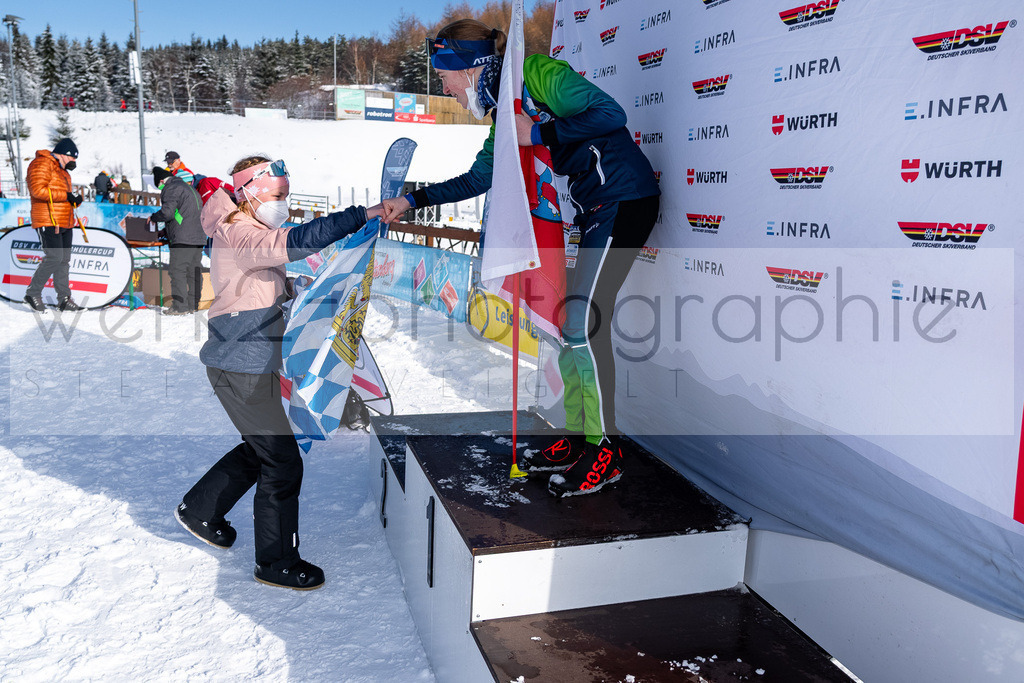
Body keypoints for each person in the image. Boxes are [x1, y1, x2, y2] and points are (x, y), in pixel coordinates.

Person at [380, 20, 661, 498]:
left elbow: (610, 114)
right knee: (569, 326)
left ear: (470, 68)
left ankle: (606, 449)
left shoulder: (536, 73)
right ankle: (579, 437)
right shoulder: (503, 113)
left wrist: (540, 131)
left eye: (444, 76)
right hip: (594, 209)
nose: (444, 89)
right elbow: (479, 178)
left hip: (625, 198)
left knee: (582, 325)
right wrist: (412, 200)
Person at [174, 154, 384, 590]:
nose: (282, 204)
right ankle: (275, 562)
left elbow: (255, 282)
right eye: (276, 195)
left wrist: (292, 289)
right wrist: (361, 216)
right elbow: (296, 241)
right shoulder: (239, 231)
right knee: (282, 461)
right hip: (240, 367)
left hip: (250, 361)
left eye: (286, 195)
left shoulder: (244, 226)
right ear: (248, 193)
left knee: (264, 449)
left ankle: (201, 510)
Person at [23, 137, 85, 312]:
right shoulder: (41, 163)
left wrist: (74, 200)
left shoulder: (63, 171)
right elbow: (37, 190)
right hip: (48, 219)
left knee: (64, 260)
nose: (74, 161)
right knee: (54, 258)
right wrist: (66, 196)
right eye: (72, 157)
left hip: (64, 220)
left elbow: (61, 196)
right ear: (63, 154)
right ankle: (32, 293)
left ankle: (64, 299)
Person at [149, 166, 205, 314]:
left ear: (161, 181)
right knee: (194, 271)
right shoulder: (190, 189)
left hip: (183, 238)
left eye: (159, 185)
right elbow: (182, 214)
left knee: (177, 271)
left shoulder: (171, 188)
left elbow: (167, 213)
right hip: (198, 237)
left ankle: (180, 307)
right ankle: (193, 305)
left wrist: (154, 217)